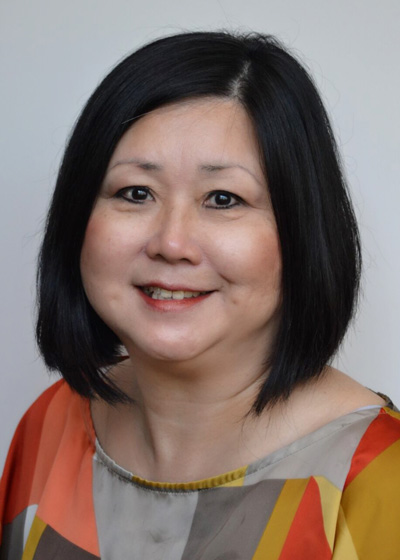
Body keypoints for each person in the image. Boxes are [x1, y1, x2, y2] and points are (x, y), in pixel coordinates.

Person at [1, 30, 399, 559]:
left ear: (302, 232)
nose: (171, 243)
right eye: (136, 193)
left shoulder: (377, 478)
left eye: (223, 198)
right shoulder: (50, 426)